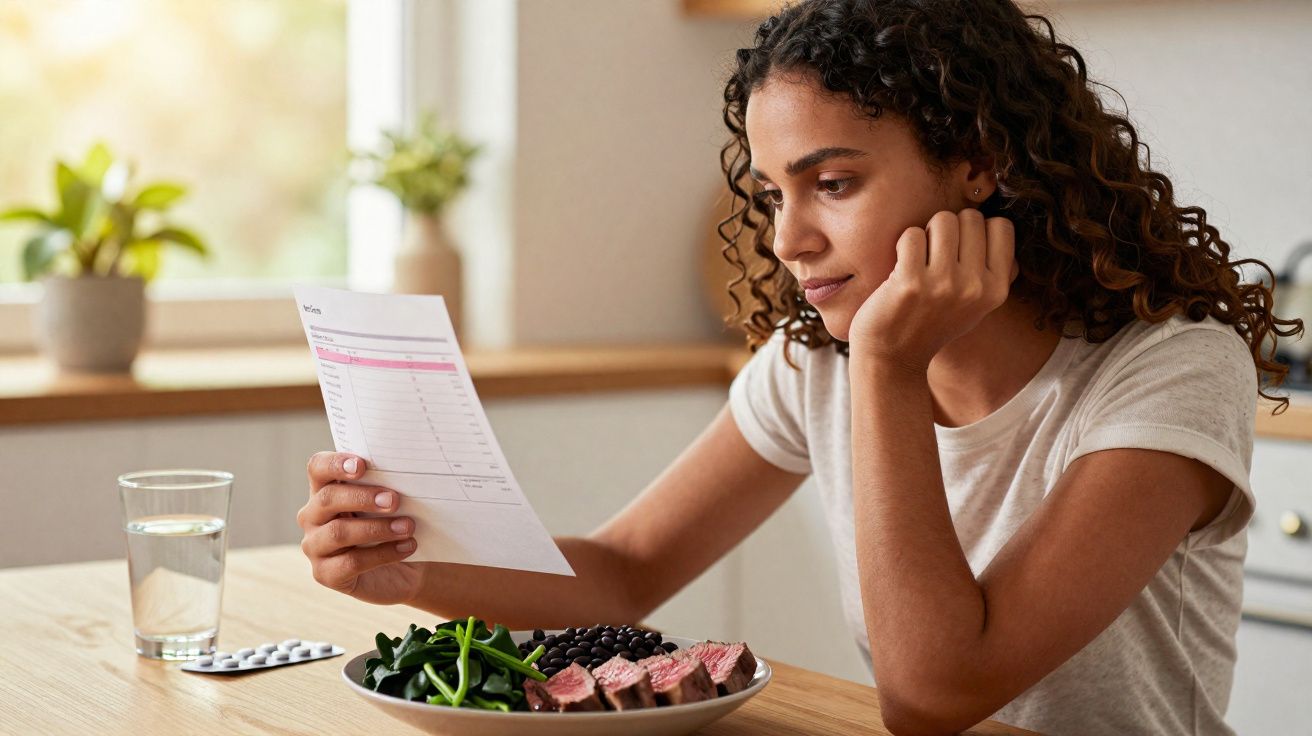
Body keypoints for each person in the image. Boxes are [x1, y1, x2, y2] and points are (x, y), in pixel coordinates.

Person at [297, 1, 1301, 733]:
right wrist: (417, 567)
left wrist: (886, 368)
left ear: (978, 162)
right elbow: (625, 569)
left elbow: (935, 693)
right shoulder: (817, 359)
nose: (787, 240)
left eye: (834, 183)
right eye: (776, 193)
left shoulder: (1169, 371)